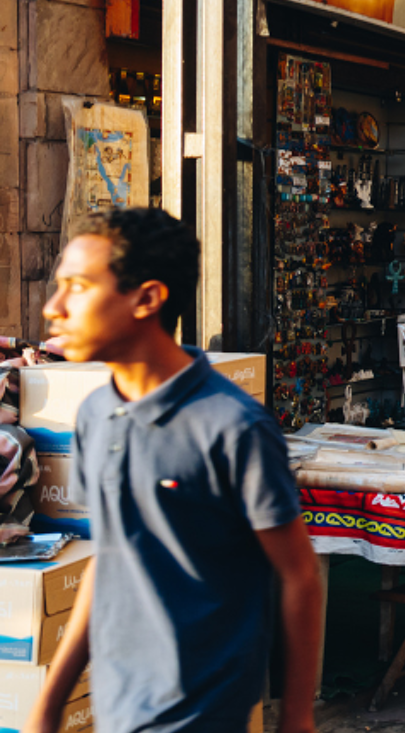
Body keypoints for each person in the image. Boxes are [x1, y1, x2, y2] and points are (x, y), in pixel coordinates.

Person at [33, 209, 323, 733]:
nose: (54, 308)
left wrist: (296, 717)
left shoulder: (233, 427)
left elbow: (298, 574)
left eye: (77, 288)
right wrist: (49, 705)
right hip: (120, 704)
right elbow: (111, 555)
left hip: (202, 710)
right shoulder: (97, 415)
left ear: (146, 298)